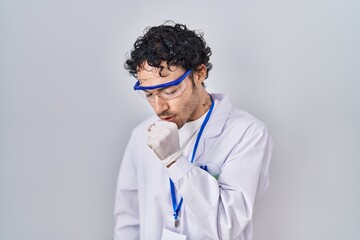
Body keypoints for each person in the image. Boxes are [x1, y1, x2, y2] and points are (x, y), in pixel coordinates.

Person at [114, 21, 273, 240]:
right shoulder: (141, 134)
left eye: (170, 90)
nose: (159, 107)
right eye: (149, 94)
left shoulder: (247, 133)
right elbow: (128, 219)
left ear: (199, 73)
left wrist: (174, 161)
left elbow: (226, 226)